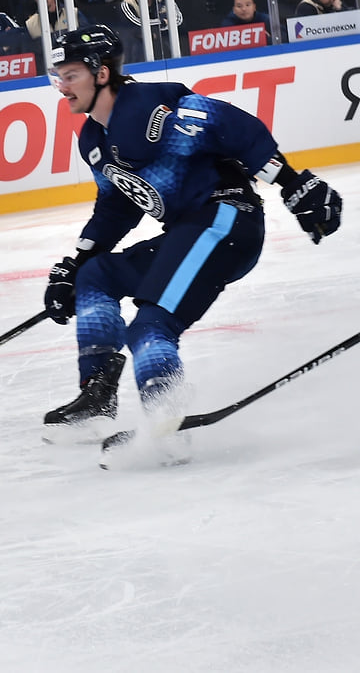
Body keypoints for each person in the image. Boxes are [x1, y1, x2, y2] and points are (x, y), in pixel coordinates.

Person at [41, 25, 342, 453]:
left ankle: (165, 419)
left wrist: (292, 182)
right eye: (59, 77)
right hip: (189, 230)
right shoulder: (95, 138)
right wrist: (76, 262)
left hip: (225, 220)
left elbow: (230, 125)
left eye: (70, 75)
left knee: (150, 324)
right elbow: (117, 206)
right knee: (97, 276)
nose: (62, 87)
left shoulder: (150, 110)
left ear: (102, 73)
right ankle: (97, 394)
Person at [24, 0, 90, 69]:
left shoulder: (73, 14)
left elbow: (86, 39)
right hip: (46, 70)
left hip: (74, 65)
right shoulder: (30, 24)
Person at [118, 0, 183, 63]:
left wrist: (156, 29)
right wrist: (162, 23)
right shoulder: (127, 3)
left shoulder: (165, 0)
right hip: (137, 51)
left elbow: (178, 20)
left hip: (165, 49)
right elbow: (137, 25)